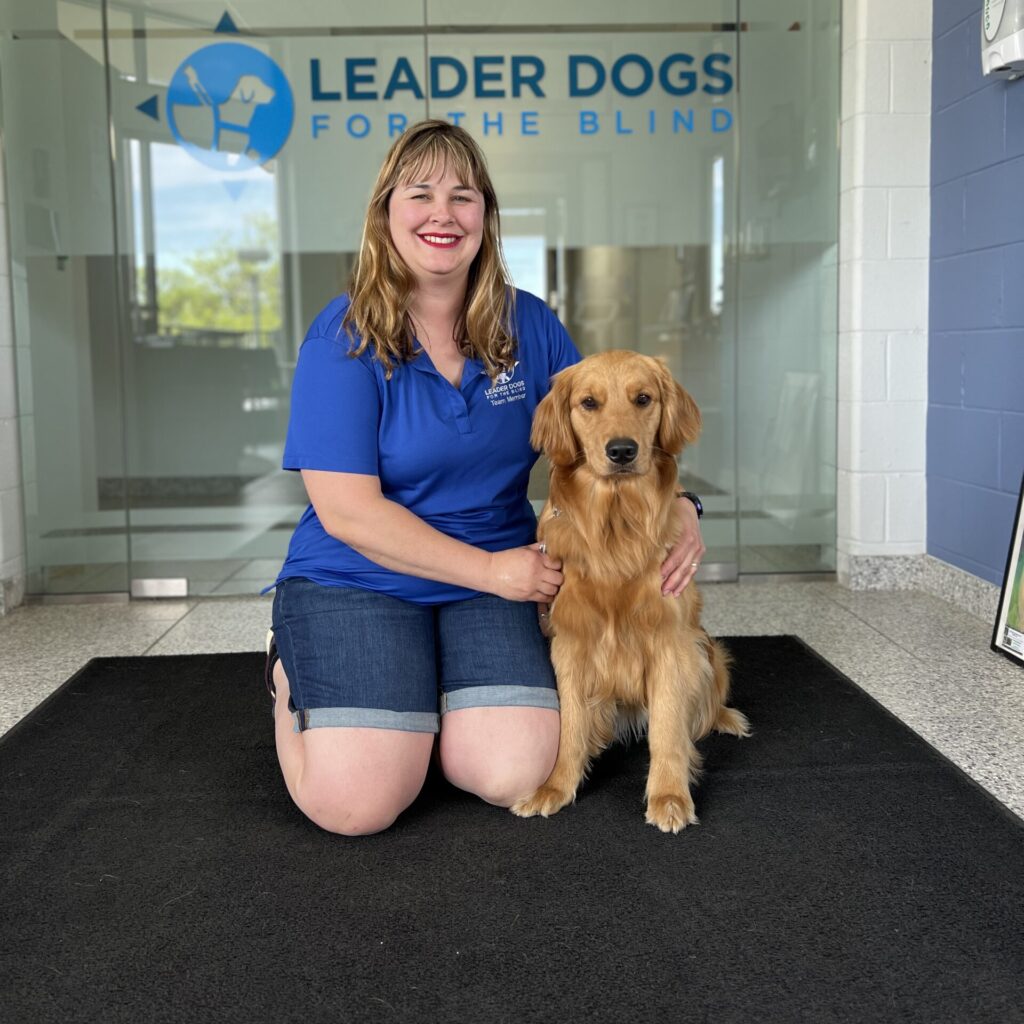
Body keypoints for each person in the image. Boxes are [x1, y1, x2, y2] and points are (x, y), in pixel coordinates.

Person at [265, 119, 705, 836]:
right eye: (421, 194)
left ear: (486, 218)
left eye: (463, 196)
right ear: (386, 214)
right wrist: (494, 574)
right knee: (357, 805)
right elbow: (347, 512)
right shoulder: (342, 338)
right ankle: (295, 671)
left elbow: (609, 424)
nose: (444, 213)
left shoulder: (529, 326)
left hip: (497, 571)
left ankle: (417, 699)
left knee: (515, 772)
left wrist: (684, 505)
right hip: (361, 573)